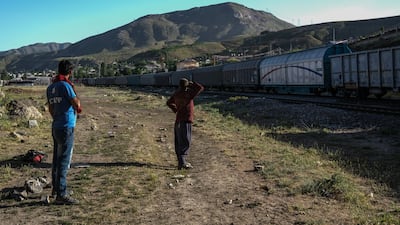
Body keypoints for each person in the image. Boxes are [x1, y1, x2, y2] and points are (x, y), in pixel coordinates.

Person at [46, 59, 82, 205]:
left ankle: (56, 189)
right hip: (67, 126)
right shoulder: (66, 86)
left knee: (56, 159)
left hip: (56, 126)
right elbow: (76, 104)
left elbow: (50, 108)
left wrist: (57, 117)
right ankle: (61, 194)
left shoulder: (51, 87)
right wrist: (77, 105)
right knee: (64, 161)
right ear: (70, 72)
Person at [167, 78, 204, 170]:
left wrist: (176, 110)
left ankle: (180, 162)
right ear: (186, 85)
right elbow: (200, 88)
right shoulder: (188, 94)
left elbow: (169, 102)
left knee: (179, 141)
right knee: (185, 140)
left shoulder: (177, 94)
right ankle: (183, 162)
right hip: (186, 120)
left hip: (178, 120)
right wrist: (191, 84)